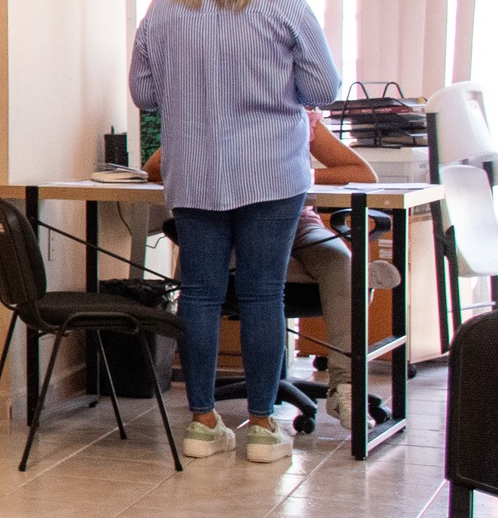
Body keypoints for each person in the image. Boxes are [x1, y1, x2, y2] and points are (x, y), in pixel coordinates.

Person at [130, 0, 340, 465]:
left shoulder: (165, 6)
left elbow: (145, 94)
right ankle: (264, 428)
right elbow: (323, 87)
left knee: (199, 293)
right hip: (272, 172)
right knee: (262, 294)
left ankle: (201, 425)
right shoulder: (283, 1)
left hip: (194, 172)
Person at [145, 110, 396, 430]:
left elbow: (363, 173)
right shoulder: (214, 116)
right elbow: (155, 166)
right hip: (237, 229)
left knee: (339, 260)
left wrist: (300, 174)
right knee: (273, 269)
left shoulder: (302, 120)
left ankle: (344, 386)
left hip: (302, 225)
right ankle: (365, 279)